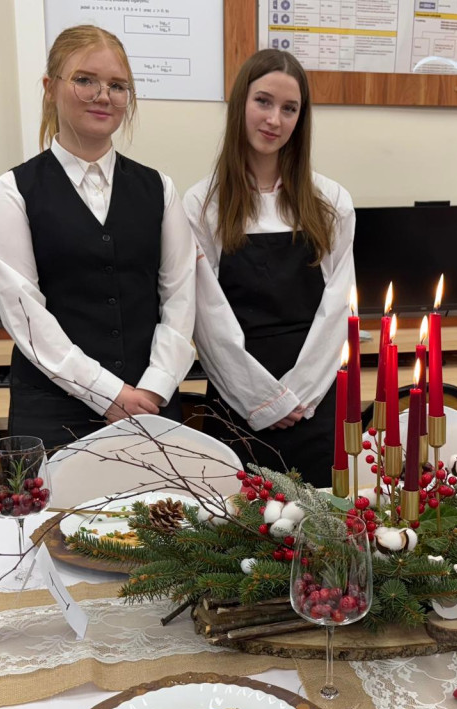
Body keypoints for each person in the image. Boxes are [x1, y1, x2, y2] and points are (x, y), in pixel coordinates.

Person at [0, 25, 196, 452]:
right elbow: (27, 319)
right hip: (54, 411)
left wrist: (153, 388)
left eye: (117, 86)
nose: (103, 95)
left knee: (158, 519)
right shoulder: (14, 191)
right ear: (50, 87)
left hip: (150, 404)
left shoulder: (160, 189)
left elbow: (180, 298)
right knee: (56, 521)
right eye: (85, 80)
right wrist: (108, 393)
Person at [184, 49, 355, 486]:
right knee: (234, 540)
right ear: (241, 102)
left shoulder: (331, 201)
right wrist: (261, 399)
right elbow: (207, 317)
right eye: (263, 101)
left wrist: (299, 395)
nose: (274, 119)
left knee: (321, 539)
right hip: (238, 401)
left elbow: (338, 307)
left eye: (289, 108)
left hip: (313, 403)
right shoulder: (202, 204)